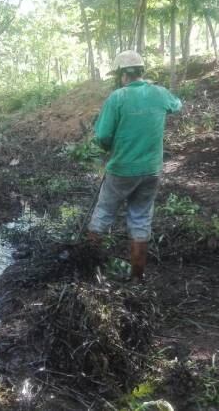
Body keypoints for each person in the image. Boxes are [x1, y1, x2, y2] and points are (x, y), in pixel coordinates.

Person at [86, 50, 182, 282]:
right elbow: (177, 106)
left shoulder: (117, 98)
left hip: (121, 169)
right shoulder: (160, 93)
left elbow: (102, 136)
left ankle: (89, 269)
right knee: (140, 218)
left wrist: (110, 147)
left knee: (103, 213)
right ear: (141, 71)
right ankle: (138, 276)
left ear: (121, 75)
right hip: (151, 169)